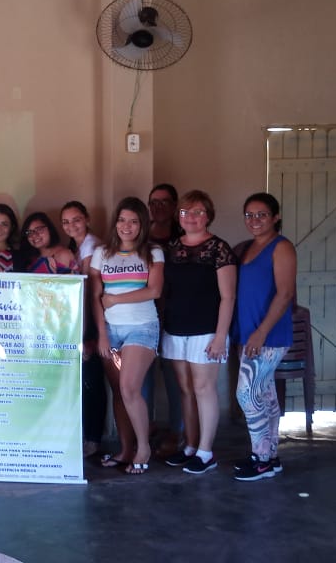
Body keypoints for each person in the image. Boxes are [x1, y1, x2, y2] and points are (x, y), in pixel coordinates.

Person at [160, 190, 237, 474]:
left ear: (208, 216)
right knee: (185, 390)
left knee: (204, 388)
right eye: (184, 212)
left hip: (207, 330)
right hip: (175, 328)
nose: (190, 217)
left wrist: (220, 336)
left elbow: (228, 297)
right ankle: (190, 446)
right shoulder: (170, 248)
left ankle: (206, 452)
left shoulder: (219, 248)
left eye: (197, 212)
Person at [90, 197, 163, 475]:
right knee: (119, 393)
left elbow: (154, 291)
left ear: (142, 224)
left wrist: (116, 300)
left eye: (133, 221)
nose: (126, 226)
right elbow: (96, 297)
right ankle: (124, 450)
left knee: (130, 388)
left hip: (142, 328)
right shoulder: (102, 253)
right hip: (111, 331)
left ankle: (143, 448)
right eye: (122, 220)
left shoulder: (153, 252)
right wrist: (102, 335)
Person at [232, 193, 296, 481]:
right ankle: (270, 456)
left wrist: (261, 332)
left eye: (261, 214)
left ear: (275, 217)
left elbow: (285, 293)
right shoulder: (248, 248)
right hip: (250, 333)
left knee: (246, 394)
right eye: (249, 215)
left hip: (268, 335)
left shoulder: (281, 247)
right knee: (265, 394)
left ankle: (261, 460)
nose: (254, 220)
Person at [61, 201, 105, 458]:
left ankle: (94, 439)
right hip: (81, 322)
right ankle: (87, 437)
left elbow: (87, 292)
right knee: (84, 383)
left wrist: (87, 334)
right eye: (66, 222)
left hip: (90, 324)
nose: (71, 226)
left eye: (76, 219)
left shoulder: (92, 246)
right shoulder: (75, 247)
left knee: (92, 383)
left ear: (87, 219)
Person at [144, 184, 185, 453]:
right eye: (153, 202)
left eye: (164, 202)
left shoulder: (183, 238)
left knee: (174, 376)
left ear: (174, 206)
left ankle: (177, 432)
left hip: (174, 314)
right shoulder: (140, 235)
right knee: (142, 375)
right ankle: (145, 427)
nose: (158, 207)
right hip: (142, 314)